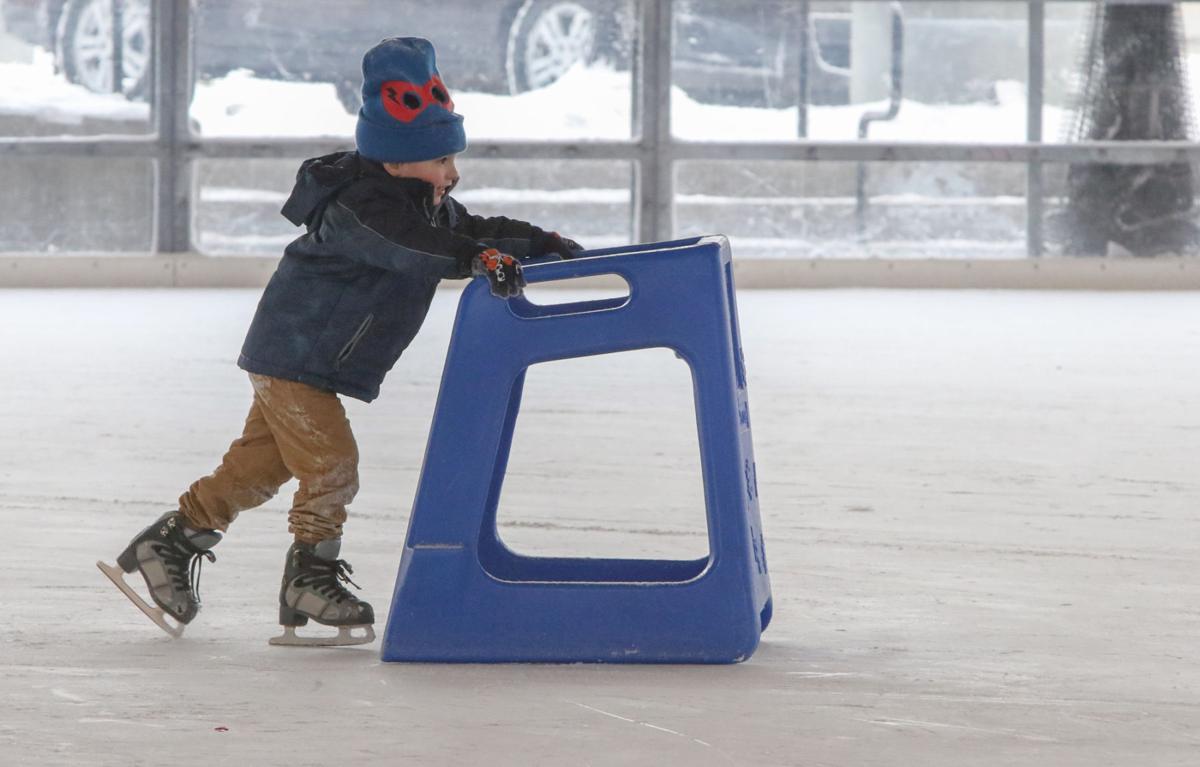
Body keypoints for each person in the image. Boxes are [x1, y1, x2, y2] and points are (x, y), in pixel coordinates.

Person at [100, 37, 583, 646]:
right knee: (331, 465)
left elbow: (473, 231)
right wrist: (477, 257)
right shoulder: (361, 209)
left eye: (452, 158)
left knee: (256, 469)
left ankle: (168, 542)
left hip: (312, 361)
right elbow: (413, 251)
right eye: (440, 160)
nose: (452, 173)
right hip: (295, 356)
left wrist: (536, 241)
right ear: (397, 159)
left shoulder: (427, 206)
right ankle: (310, 578)